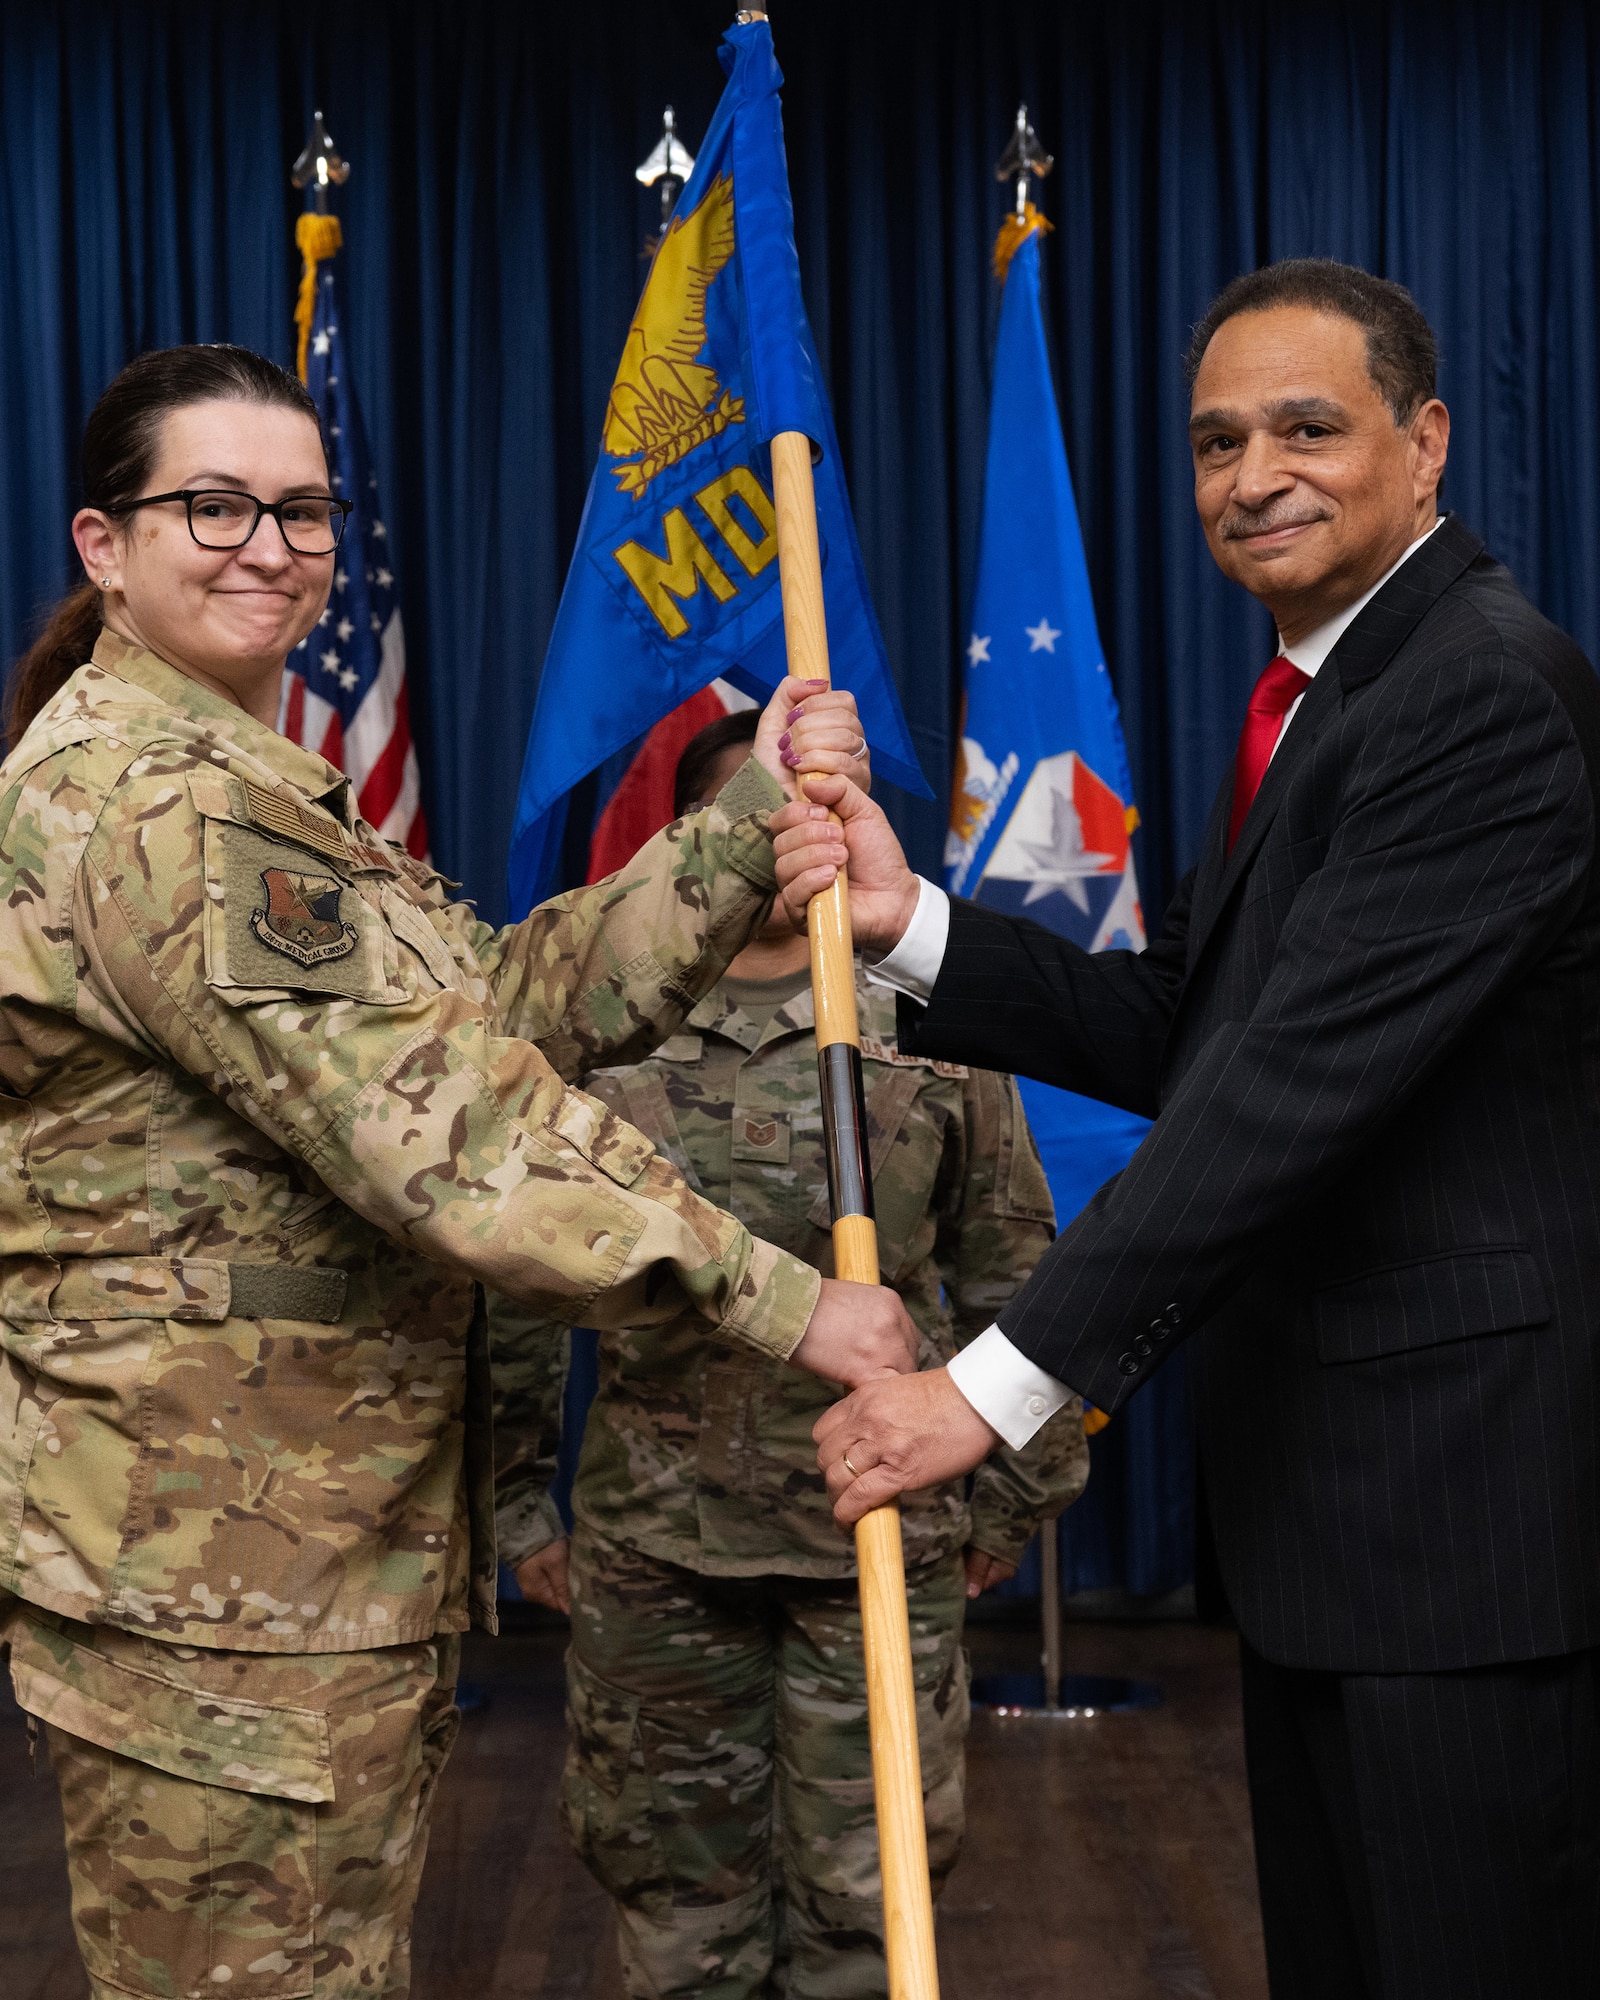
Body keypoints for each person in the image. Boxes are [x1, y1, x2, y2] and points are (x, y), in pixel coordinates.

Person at [0, 343, 919, 2000]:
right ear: (102, 543)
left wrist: (740, 827)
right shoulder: (155, 804)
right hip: (223, 1593)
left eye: (301, 510)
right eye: (211, 505)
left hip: (289, 1566)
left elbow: (490, 1013)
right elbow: (449, 1136)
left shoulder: (250, 787)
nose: (267, 546)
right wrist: (788, 1303)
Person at [771, 259, 1600, 1999]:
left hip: (1465, 1519)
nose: (1253, 476)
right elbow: (1197, 1027)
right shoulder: (1330, 694)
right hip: (1347, 1516)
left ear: (1427, 442)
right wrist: (908, 917)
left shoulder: (1476, 691)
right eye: (1218, 441)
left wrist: (984, 1392)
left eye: (1309, 428)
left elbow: (1281, 1098)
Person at [494, 705, 1086, 2000]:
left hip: (875, 1536)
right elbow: (523, 1281)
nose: (787, 844)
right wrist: (511, 1505)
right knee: (676, 1907)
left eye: (812, 813)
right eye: (753, 819)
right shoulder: (605, 1037)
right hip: (658, 1550)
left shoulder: (926, 1020)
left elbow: (1012, 1271)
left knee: (869, 1909)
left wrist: (1017, 1489)